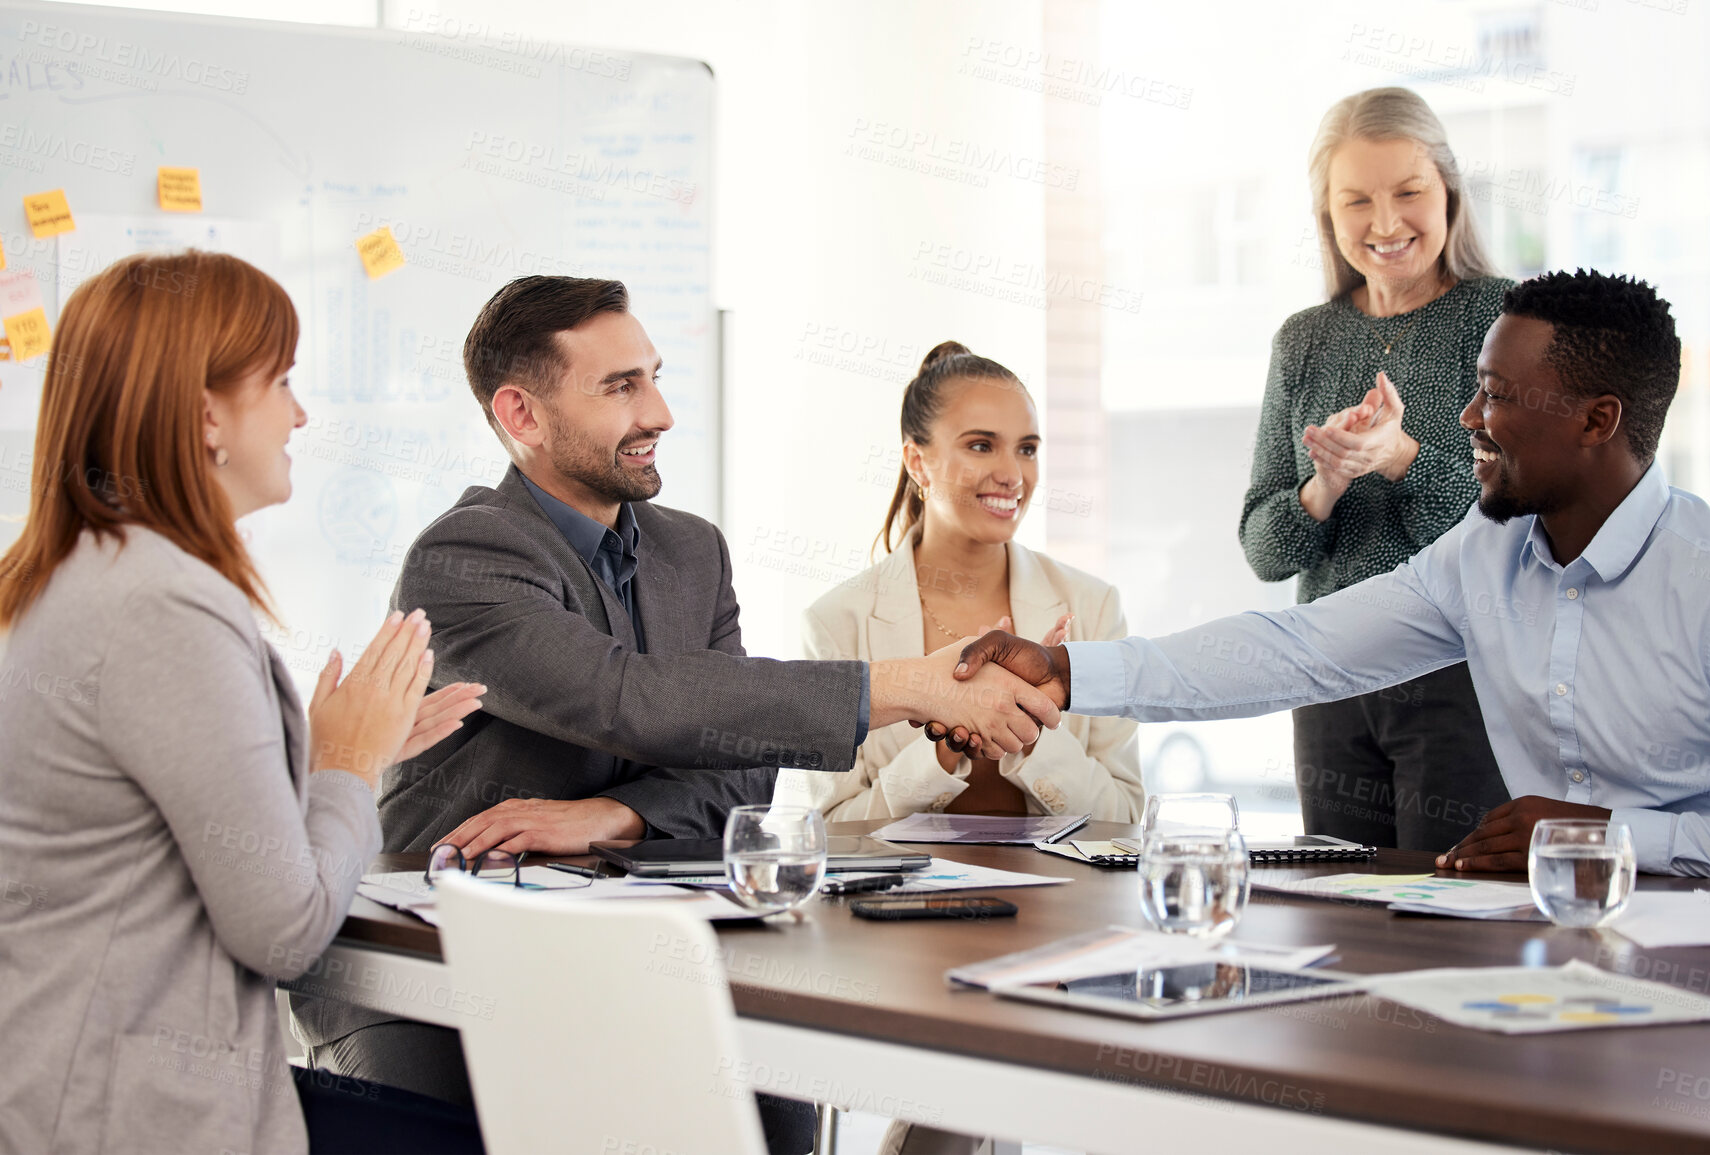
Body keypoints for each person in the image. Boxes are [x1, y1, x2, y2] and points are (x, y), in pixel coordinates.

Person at [289, 277, 1064, 1152]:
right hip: (441, 971)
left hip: (627, 947)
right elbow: (628, 698)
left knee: (770, 1107)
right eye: (621, 386)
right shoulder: (467, 554)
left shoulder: (690, 550)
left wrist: (617, 815)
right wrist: (912, 684)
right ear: (523, 414)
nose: (658, 410)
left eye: (654, 376)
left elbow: (736, 761)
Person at [942, 270, 1710, 879]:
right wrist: (1062, 669)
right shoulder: (1482, 556)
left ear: (1596, 420)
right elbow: (1296, 648)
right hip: (1550, 938)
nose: (1466, 419)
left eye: (1492, 395)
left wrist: (1606, 834)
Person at [0, 251, 488, 1155]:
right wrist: (345, 766)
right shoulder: (165, 605)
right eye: (282, 382)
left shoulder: (68, 577)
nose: (300, 414)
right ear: (205, 413)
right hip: (135, 1116)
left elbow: (153, 824)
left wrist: (340, 755)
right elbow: (286, 931)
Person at [1241, 86, 1513, 851]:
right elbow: (1263, 550)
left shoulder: (1502, 317)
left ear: (1447, 191)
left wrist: (1401, 458)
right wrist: (1323, 485)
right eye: (1355, 200)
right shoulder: (1303, 341)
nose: (1385, 223)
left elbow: (1517, 529)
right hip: (1325, 677)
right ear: (1325, 214)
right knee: (1339, 915)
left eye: (1408, 192)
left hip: (1458, 678)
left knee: (1449, 919)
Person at [776, 341, 1140, 823]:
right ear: (917, 461)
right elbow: (828, 829)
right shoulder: (836, 623)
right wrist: (943, 748)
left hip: (1061, 899)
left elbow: (1127, 819)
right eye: (981, 445)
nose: (1013, 475)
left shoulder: (1092, 606)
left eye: (1027, 449)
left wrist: (1030, 730)